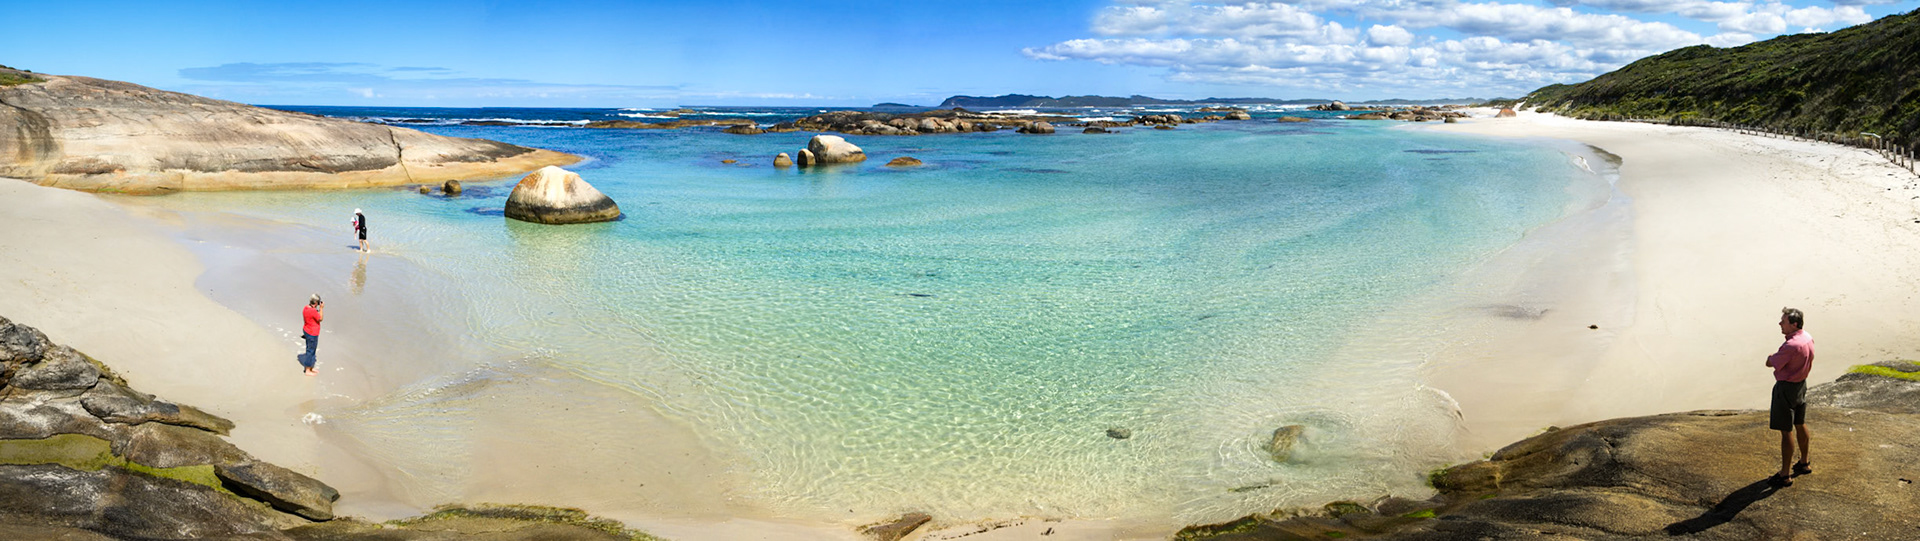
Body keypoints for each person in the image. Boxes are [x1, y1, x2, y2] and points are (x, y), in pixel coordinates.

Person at [1764, 307, 1814, 486]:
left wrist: (1770, 357)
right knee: (1800, 423)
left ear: (1793, 324)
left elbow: (1771, 362)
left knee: (1786, 431)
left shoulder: (1791, 345)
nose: (1780, 324)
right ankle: (1804, 462)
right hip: (1801, 385)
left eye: (1783, 321)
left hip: (1786, 388)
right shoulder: (1807, 337)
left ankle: (1784, 474)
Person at [300, 294, 324, 376]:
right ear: (316, 303)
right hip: (312, 333)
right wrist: (321, 309)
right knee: (311, 351)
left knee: (310, 349)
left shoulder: (306, 308)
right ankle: (307, 370)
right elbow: (320, 318)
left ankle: (310, 367)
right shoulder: (313, 311)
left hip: (306, 330)